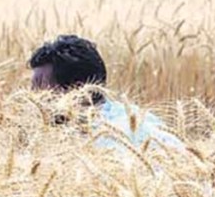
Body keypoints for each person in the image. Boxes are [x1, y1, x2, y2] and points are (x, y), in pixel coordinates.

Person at [28, 34, 183, 153]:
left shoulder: (117, 137)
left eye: (40, 87)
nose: (32, 97)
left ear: (79, 91)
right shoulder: (60, 133)